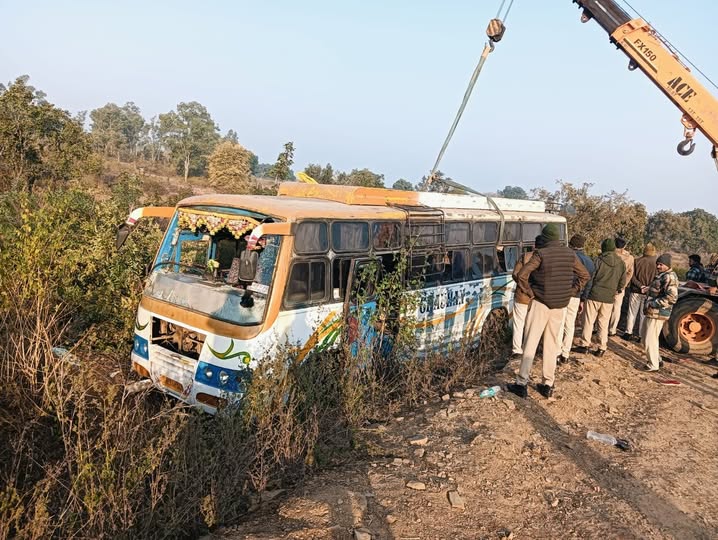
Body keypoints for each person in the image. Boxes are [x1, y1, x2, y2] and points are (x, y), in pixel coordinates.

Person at [507, 224, 590, 399]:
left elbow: (522, 275)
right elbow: (584, 275)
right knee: (552, 345)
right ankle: (548, 384)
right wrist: (572, 292)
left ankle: (521, 383)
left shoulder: (541, 254)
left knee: (530, 342)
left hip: (541, 303)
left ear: (544, 238)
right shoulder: (570, 254)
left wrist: (530, 292)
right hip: (560, 305)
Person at [573, 239, 626, 357]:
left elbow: (591, 279)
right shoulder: (621, 263)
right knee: (603, 323)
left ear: (603, 248)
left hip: (594, 295)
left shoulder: (598, 260)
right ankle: (602, 347)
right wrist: (616, 290)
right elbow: (622, 281)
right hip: (609, 298)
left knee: (588, 321)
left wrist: (585, 295)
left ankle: (584, 344)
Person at [558, 234, 595, 364]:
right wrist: (583, 299)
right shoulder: (589, 262)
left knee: (559, 323)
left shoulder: (565, 256)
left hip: (562, 293)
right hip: (576, 296)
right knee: (570, 325)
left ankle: (556, 352)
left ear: (570, 243)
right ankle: (565, 353)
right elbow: (589, 282)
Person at [510, 235, 547, 359]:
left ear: (534, 245)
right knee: (531, 324)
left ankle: (516, 350)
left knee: (518, 323)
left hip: (521, 295)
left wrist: (525, 288)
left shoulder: (525, 256)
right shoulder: (545, 258)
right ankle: (528, 348)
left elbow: (516, 274)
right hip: (537, 297)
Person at [641, 253, 678, 371]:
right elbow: (660, 290)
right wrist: (649, 290)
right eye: (657, 264)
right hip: (652, 312)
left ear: (667, 265)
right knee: (647, 337)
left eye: (661, 264)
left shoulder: (670, 277)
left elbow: (672, 297)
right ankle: (657, 359)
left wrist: (653, 303)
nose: (658, 266)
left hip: (658, 313)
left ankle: (653, 365)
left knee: (649, 339)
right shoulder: (663, 275)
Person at [622, 243, 657, 342]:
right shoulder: (656, 264)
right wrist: (648, 287)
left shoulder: (636, 261)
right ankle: (641, 335)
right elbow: (657, 279)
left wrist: (640, 286)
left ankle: (628, 333)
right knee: (643, 314)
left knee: (632, 312)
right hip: (648, 293)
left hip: (636, 290)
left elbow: (631, 276)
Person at [609, 236, 634, 336]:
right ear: (625, 246)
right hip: (620, 287)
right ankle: (612, 329)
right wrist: (623, 285)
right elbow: (630, 273)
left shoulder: (609, 255)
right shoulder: (630, 258)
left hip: (608, 285)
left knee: (604, 307)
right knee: (616, 308)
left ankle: (600, 327)